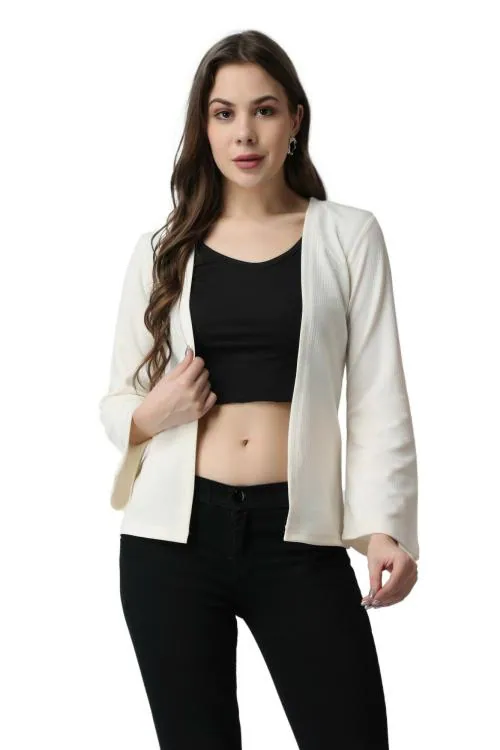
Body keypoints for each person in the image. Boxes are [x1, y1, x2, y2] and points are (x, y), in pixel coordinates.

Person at [99, 29, 419, 750]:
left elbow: (378, 397)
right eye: (224, 113)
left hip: (297, 538)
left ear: (295, 119)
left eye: (264, 110)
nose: (244, 132)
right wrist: (153, 413)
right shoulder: (163, 251)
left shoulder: (348, 237)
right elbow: (117, 402)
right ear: (204, 126)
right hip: (170, 545)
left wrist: (386, 526)